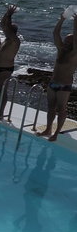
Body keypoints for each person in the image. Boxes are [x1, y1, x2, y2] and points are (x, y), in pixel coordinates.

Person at [37, 12, 77, 141]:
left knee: (61, 110)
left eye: (68, 42)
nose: (65, 43)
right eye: (65, 41)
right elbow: (55, 34)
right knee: (50, 108)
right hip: (53, 83)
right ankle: (48, 128)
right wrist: (61, 20)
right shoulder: (61, 51)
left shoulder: (74, 54)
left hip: (64, 86)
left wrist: (75, 22)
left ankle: (56, 133)